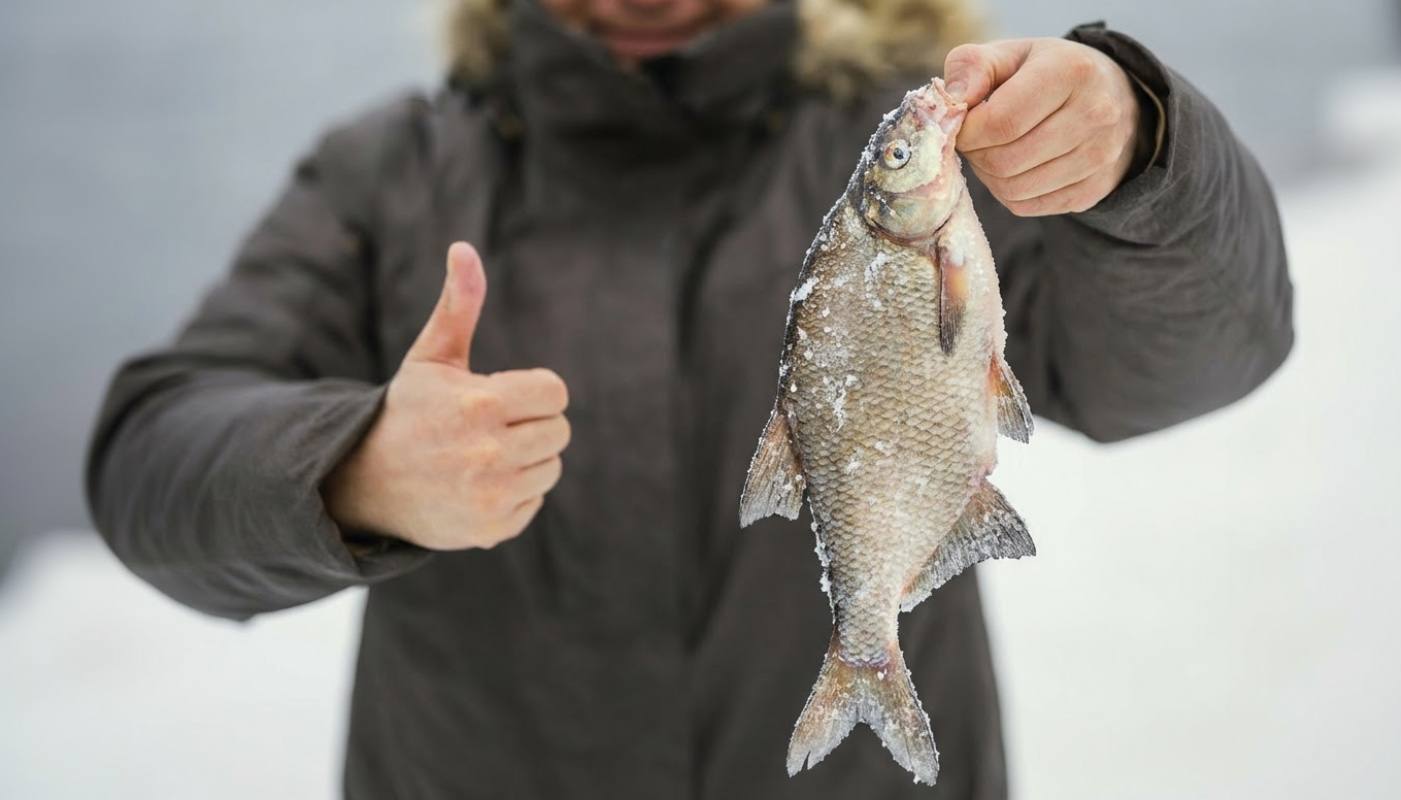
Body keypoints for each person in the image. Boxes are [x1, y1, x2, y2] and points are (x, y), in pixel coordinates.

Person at [86, 0, 1294, 797]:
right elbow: (150, 457)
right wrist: (349, 467)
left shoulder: (916, 154)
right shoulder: (390, 174)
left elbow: (1202, 356)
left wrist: (1141, 152)